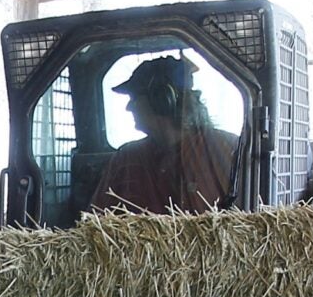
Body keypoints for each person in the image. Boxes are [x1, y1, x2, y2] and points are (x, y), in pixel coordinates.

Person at [87, 55, 236, 215]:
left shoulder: (228, 151)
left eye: (135, 98)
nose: (129, 107)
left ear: (162, 100)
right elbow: (93, 221)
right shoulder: (126, 158)